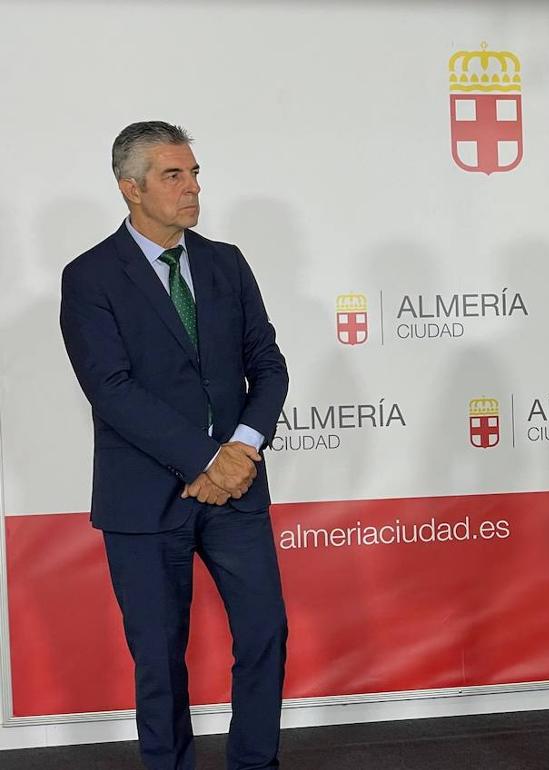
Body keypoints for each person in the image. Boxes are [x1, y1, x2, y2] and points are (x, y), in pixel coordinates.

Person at [60, 121, 290, 770]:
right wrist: (207, 459)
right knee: (159, 660)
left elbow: (267, 365)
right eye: (173, 175)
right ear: (130, 188)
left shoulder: (226, 262)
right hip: (144, 500)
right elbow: (111, 390)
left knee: (265, 633)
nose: (192, 188)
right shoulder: (90, 277)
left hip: (236, 492)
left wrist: (239, 451)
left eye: (194, 174)